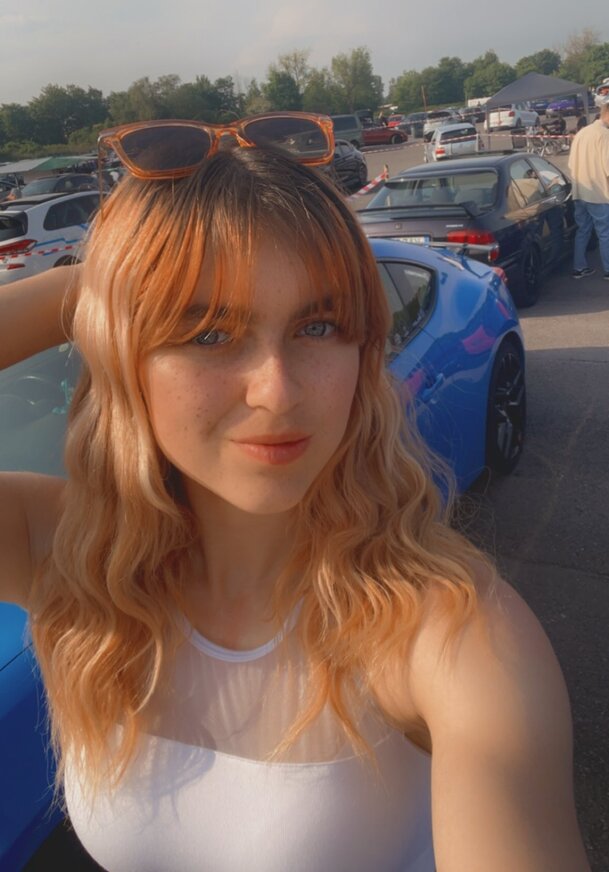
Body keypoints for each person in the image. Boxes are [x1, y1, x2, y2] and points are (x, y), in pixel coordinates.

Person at [0, 114, 590, 872]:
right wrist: (91, 286)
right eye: (209, 332)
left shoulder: (449, 635)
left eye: (318, 327)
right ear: (123, 355)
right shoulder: (66, 555)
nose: (276, 393)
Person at [568, 94, 609, 280]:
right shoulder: (604, 135)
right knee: (604, 233)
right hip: (599, 194)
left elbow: (571, 164)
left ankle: (579, 268)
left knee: (582, 230)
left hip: (579, 192)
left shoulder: (582, 133)